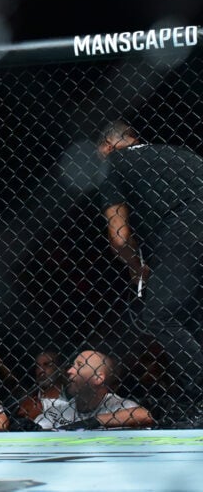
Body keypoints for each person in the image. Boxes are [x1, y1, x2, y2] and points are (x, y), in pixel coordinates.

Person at [95, 120, 203, 426]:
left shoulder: (113, 164)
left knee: (157, 316)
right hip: (189, 227)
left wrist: (136, 268)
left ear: (107, 146)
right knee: (193, 317)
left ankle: (199, 395)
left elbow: (118, 235)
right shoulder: (181, 153)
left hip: (184, 229)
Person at [36, 350, 154, 430]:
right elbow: (39, 429)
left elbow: (144, 415)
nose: (70, 371)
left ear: (98, 378)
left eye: (80, 365)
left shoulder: (117, 406)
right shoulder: (60, 410)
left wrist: (93, 422)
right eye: (72, 365)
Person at [15, 350, 68, 422]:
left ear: (60, 368)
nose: (41, 370)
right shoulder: (28, 399)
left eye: (47, 364)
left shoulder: (70, 396)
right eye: (37, 366)